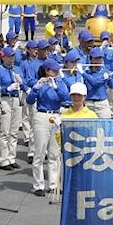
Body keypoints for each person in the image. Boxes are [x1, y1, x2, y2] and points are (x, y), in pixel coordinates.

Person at [26, 60, 67, 197]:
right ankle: (38, 185)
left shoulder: (59, 82)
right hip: (42, 116)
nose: (56, 73)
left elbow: (65, 98)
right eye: (53, 71)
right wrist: (35, 88)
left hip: (55, 115)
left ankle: (54, 184)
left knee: (55, 153)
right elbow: (30, 101)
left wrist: (56, 87)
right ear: (47, 71)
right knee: (40, 152)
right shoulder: (40, 83)